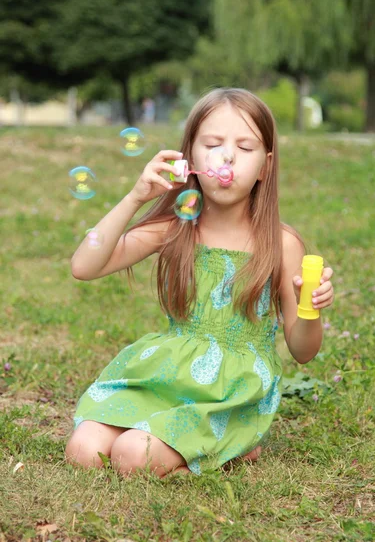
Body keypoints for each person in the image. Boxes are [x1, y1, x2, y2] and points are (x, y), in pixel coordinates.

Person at [66, 88, 334, 478]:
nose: (227, 156)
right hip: (170, 375)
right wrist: (136, 196)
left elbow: (303, 351)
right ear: (190, 158)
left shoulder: (280, 244)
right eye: (212, 144)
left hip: (230, 391)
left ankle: (233, 441)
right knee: (83, 449)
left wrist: (310, 308)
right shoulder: (175, 227)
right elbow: (84, 266)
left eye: (244, 147)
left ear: (265, 166)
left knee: (131, 455)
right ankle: (211, 447)